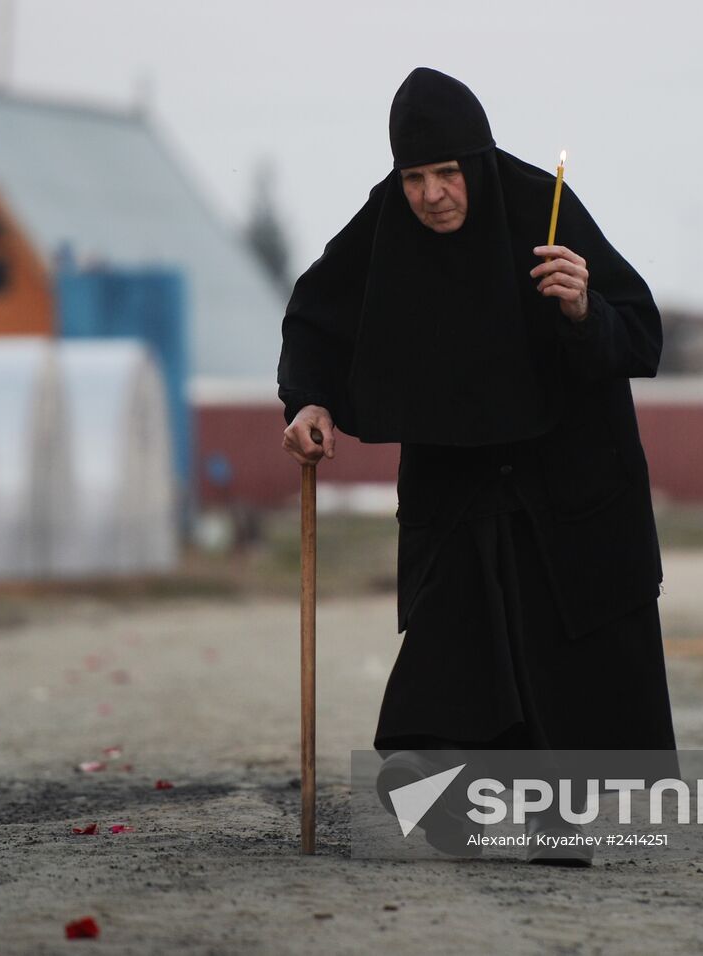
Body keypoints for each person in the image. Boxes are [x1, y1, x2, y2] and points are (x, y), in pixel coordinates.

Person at [276, 69, 679, 855]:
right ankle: (463, 816)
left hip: (567, 480)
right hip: (455, 481)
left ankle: (557, 825)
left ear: (479, 162)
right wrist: (307, 403)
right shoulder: (386, 222)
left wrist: (580, 307)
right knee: (447, 658)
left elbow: (638, 335)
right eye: (414, 176)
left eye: (447, 172)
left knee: (566, 664)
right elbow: (316, 319)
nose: (430, 194)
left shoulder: (541, 207)